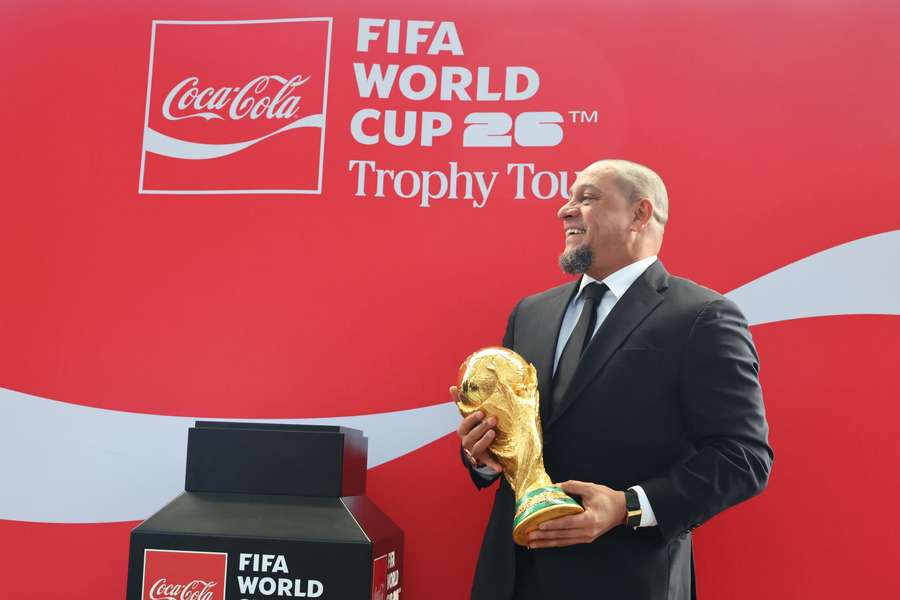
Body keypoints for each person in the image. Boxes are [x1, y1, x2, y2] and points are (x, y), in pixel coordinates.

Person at [453, 159, 773, 600]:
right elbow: (519, 438)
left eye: (586, 198)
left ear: (640, 214)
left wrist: (628, 507)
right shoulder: (531, 313)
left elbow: (744, 457)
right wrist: (483, 455)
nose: (565, 211)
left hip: (625, 578)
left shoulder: (702, 317)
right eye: (568, 199)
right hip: (511, 577)